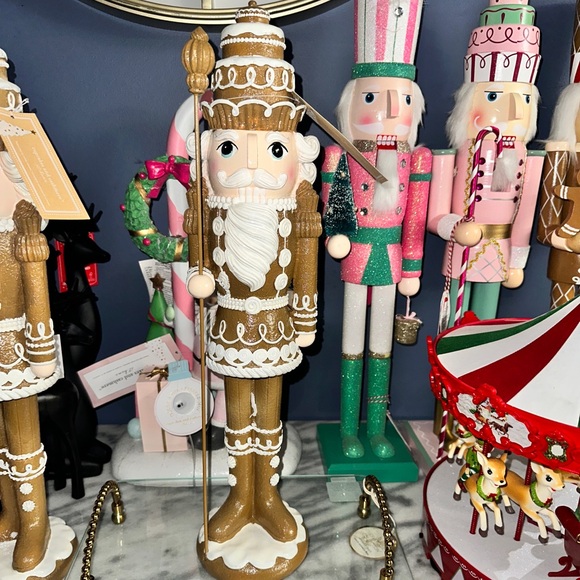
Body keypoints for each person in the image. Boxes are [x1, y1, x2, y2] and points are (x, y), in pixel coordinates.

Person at [186, 3, 321, 576]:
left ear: (294, 155)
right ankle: (239, 496)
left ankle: (268, 496)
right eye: (229, 148)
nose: (250, 167)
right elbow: (198, 255)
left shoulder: (299, 207)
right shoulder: (209, 205)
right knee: (235, 411)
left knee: (271, 412)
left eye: (272, 151)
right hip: (230, 320)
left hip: (277, 321)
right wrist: (197, 266)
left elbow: (306, 262)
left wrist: (305, 315)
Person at [322, 0, 431, 460]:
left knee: (381, 347)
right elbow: (333, 204)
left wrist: (413, 266)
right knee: (352, 344)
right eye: (373, 98)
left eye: (401, 100)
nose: (389, 110)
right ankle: (349, 429)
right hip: (357, 254)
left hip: (391, 259)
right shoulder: (340, 155)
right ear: (351, 103)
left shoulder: (416, 159)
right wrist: (336, 233)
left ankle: (377, 428)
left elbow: (416, 218)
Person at [427, 0, 544, 325]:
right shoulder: (453, 156)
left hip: (499, 249)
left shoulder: (527, 158)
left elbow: (525, 213)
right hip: (462, 249)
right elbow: (435, 214)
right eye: (493, 97)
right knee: (452, 323)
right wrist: (455, 227)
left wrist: (517, 259)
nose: (512, 112)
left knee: (485, 322)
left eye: (523, 99)